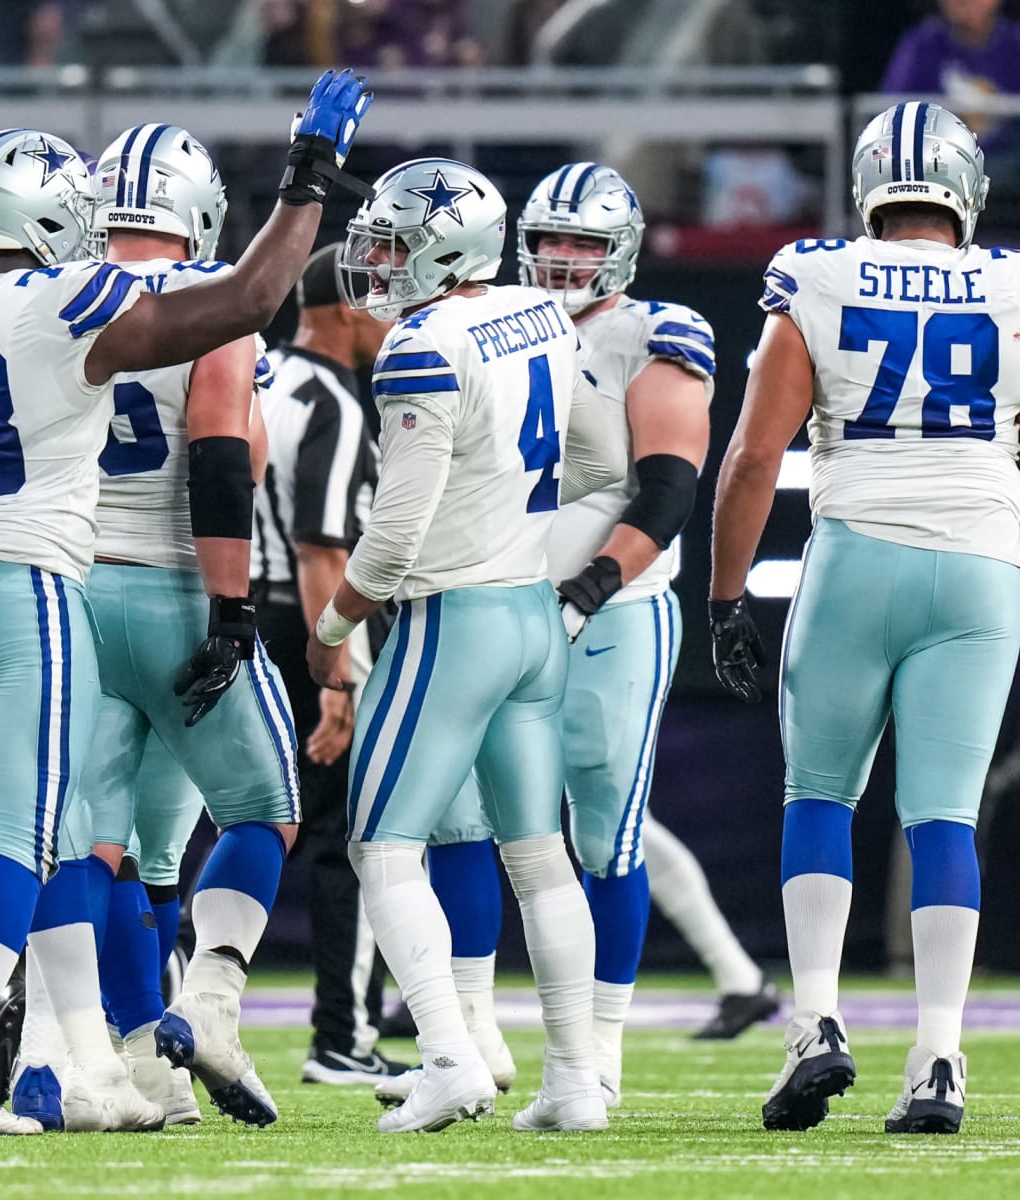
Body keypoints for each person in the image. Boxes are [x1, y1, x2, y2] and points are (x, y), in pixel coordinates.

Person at [0, 70, 373, 1136]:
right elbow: (248, 319)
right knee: (47, 838)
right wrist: (308, 174)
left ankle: (84, 1063)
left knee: (55, 839)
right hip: (42, 589)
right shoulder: (75, 301)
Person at [374, 160, 776, 1113]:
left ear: (622, 252)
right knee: (465, 821)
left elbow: (670, 484)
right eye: (549, 241)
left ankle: (596, 1058)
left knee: (604, 836)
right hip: (495, 601)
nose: (561, 261)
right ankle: (469, 1039)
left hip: (613, 613)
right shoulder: (496, 318)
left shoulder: (655, 331)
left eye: (583, 244)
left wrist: (593, 584)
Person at [710, 101, 1020, 1136]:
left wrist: (723, 593)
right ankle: (938, 1058)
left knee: (820, 796)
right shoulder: (1012, 280)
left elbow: (756, 454)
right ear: (964, 189)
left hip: (856, 556)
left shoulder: (820, 271)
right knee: (942, 816)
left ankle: (818, 1023)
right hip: (981, 560)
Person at [307, 156, 629, 1134]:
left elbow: (396, 533)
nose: (380, 258)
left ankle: (450, 1054)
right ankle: (575, 1083)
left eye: (396, 241)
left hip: (452, 618)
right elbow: (605, 461)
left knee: (382, 845)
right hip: (533, 615)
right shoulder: (538, 311)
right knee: (540, 857)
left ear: (444, 246)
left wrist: (331, 627)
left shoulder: (419, 343)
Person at [72, 122, 300, 1129]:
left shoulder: (52, 297)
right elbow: (219, 461)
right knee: (266, 810)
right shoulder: (211, 297)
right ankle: (206, 1001)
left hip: (70, 592)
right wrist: (231, 605)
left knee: (108, 845)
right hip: (172, 585)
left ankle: (144, 1065)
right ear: (197, 210)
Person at [252, 242, 409, 1086]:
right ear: (348, 309)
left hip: (230, 613)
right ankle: (342, 1036)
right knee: (347, 836)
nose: (393, 320)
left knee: (227, 823)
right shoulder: (333, 403)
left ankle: (160, 996)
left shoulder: (257, 375)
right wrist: (338, 673)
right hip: (302, 625)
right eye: (383, 302)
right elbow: (323, 547)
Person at [882, 1, 1020, 158]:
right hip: (935, 165)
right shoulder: (921, 46)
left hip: (1009, 168)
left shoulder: (1015, 44)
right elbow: (891, 116)